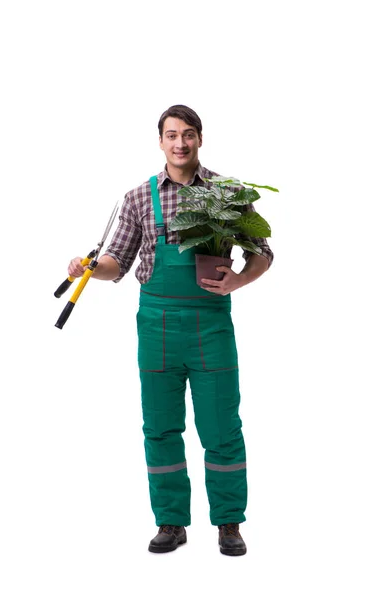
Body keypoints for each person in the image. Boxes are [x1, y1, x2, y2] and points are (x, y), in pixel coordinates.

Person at [68, 105, 273, 556]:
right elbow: (116, 260)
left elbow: (262, 251)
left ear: (201, 139)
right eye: (171, 135)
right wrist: (88, 268)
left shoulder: (228, 192)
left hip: (211, 325)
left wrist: (238, 279)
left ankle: (229, 524)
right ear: (160, 141)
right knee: (160, 428)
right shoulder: (139, 197)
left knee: (221, 426)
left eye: (188, 135)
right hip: (156, 325)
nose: (180, 143)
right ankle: (171, 522)